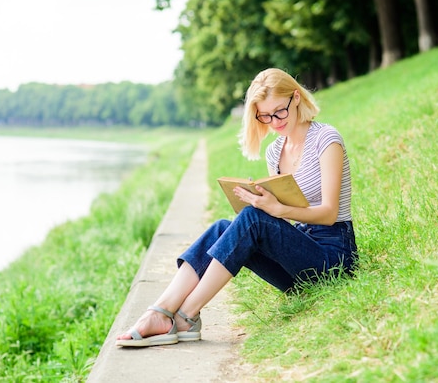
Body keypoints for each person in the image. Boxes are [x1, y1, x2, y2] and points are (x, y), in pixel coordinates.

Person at [116, 68, 358, 347]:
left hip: (334, 259)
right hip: (300, 263)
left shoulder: (326, 140)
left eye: (279, 112)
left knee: (253, 219)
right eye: (264, 116)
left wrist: (275, 210)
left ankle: (185, 314)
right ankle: (160, 310)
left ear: (296, 97)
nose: (273, 121)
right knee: (223, 226)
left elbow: (328, 213)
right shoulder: (275, 151)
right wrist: (261, 202)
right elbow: (284, 222)